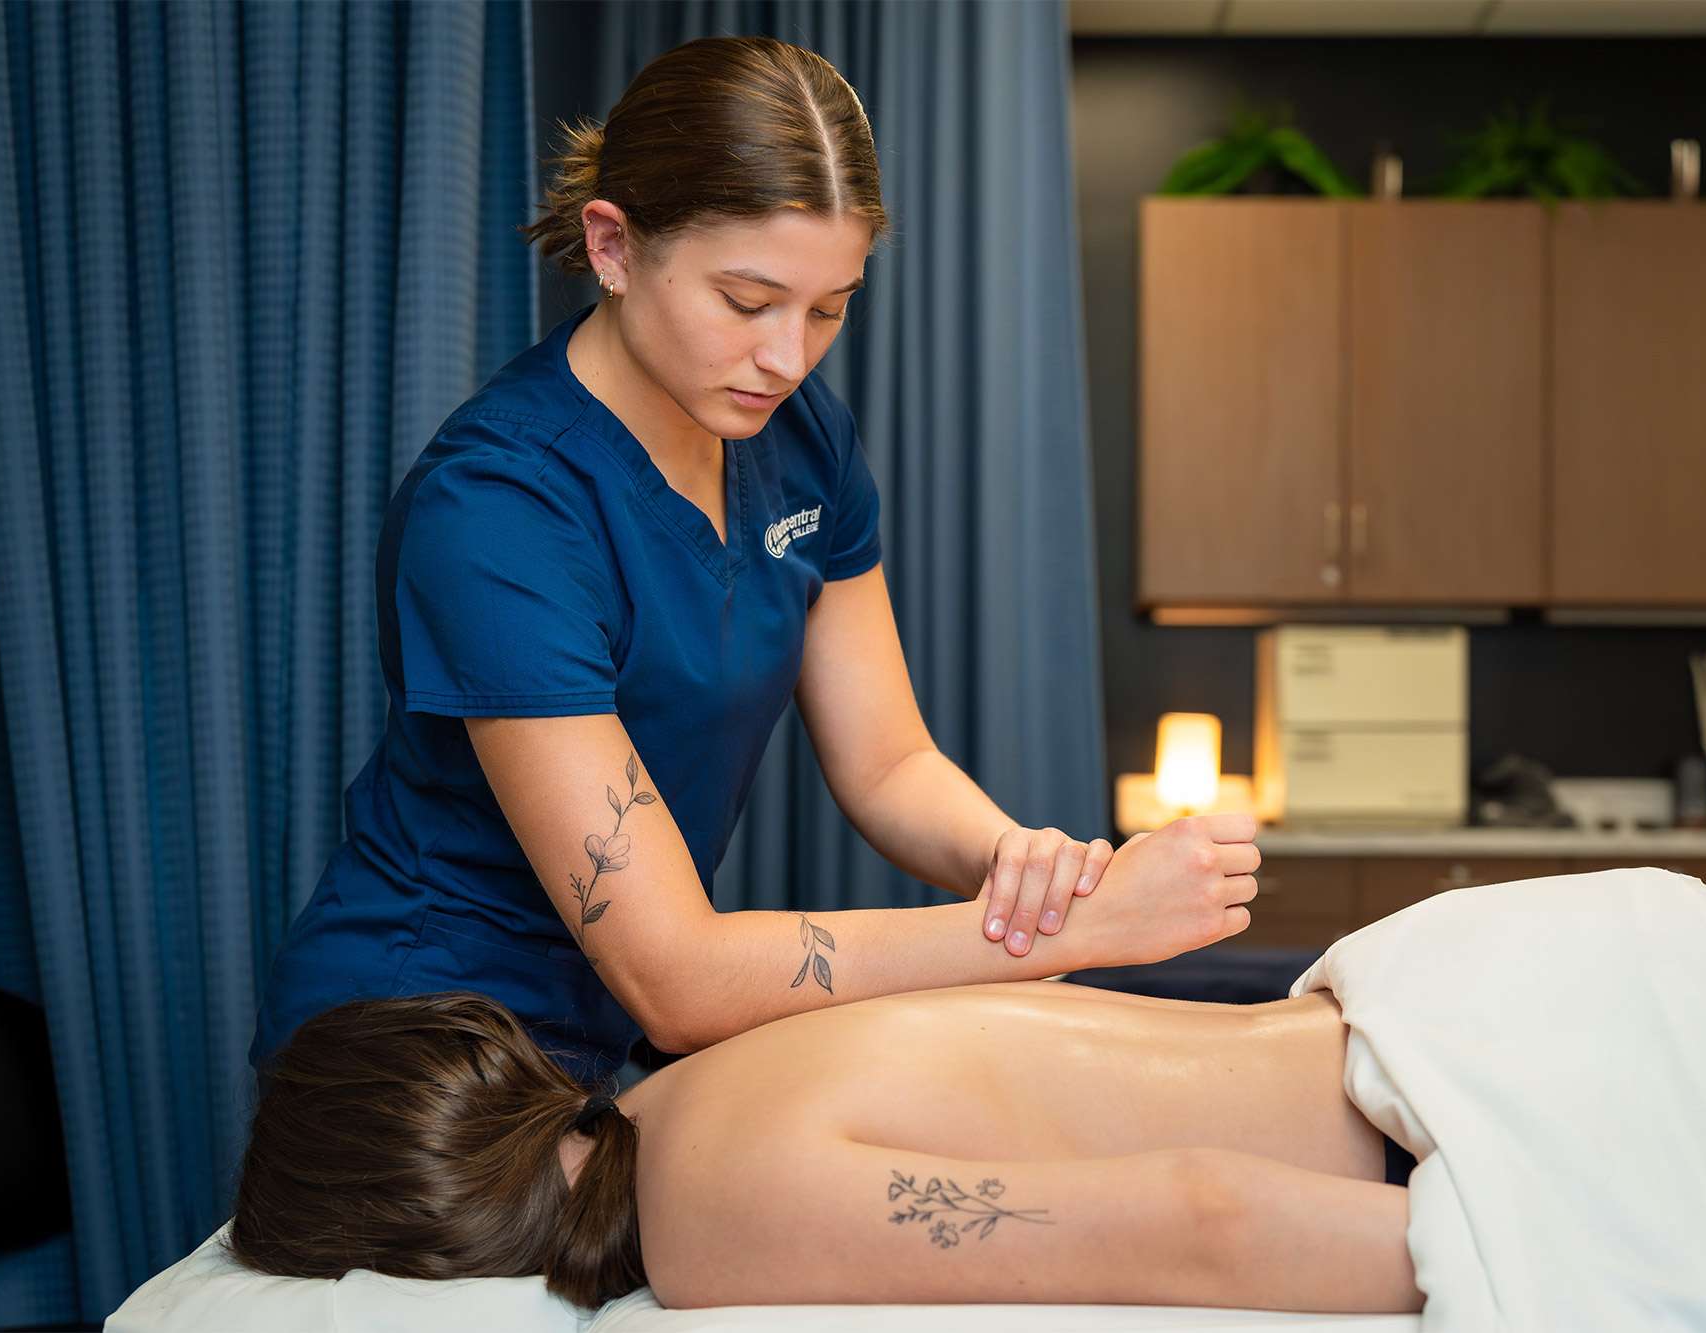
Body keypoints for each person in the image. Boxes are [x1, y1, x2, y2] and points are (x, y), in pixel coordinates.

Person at [248, 34, 1255, 1089]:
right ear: (612, 246)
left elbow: (888, 765)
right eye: (746, 301)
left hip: (613, 1035)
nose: (788, 355)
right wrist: (1075, 934)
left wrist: (1023, 871)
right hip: (417, 1052)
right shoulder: (499, 506)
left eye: (830, 308)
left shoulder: (796, 435)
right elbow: (678, 976)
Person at [227, 861, 1421, 1314]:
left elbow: (1200, 1216)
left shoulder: (705, 1209)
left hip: (1433, 1104)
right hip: (1409, 1012)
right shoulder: (674, 1090)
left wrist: (1549, 1251)